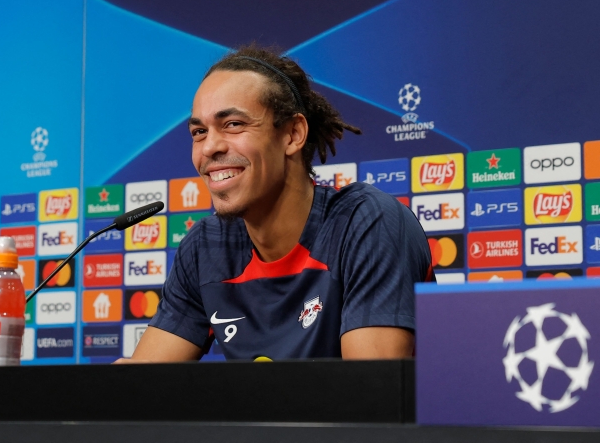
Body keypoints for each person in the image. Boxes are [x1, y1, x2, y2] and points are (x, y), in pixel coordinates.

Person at [123, 46, 431, 362]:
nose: (210, 147)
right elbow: (142, 387)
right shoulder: (205, 247)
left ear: (293, 135)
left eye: (232, 124)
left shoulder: (368, 224)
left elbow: (371, 395)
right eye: (199, 132)